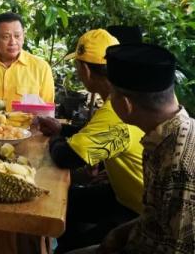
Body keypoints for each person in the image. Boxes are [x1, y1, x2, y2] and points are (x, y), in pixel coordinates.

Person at [68, 43, 195, 254]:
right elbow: (154, 214)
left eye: (112, 95)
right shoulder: (163, 135)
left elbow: (177, 248)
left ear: (126, 105)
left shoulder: (179, 164)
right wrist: (119, 234)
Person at [37, 29, 144, 252]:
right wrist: (63, 129)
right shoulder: (128, 96)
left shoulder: (115, 110)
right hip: (122, 193)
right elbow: (95, 132)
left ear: (85, 69)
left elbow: (66, 157)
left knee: (67, 242)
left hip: (137, 212)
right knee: (66, 200)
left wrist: (54, 138)